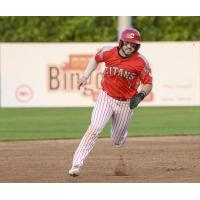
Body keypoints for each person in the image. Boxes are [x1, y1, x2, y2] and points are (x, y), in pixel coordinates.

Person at [69, 28, 153, 177]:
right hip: (106, 98)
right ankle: (76, 164)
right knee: (95, 128)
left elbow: (148, 83)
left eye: (133, 45)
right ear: (121, 42)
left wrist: (140, 95)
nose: (129, 47)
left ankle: (120, 135)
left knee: (117, 140)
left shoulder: (140, 62)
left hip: (126, 103)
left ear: (137, 47)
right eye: (127, 43)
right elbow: (95, 59)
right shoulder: (109, 52)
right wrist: (85, 76)